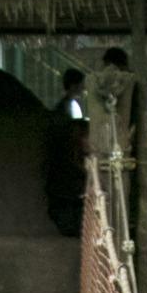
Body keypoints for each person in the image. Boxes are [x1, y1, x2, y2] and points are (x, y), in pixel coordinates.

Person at [46, 69, 90, 236]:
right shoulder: (68, 107)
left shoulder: (68, 105)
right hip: (65, 161)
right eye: (81, 84)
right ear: (74, 85)